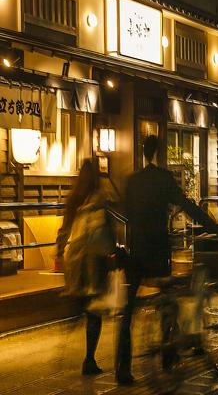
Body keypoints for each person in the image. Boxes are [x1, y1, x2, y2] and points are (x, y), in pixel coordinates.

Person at [116, 135, 218, 385]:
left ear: (142, 152)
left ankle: (123, 369)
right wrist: (214, 226)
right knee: (167, 297)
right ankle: (167, 353)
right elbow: (187, 205)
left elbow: (124, 214)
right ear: (159, 151)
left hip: (135, 250)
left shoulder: (132, 181)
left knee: (127, 312)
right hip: (158, 249)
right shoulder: (163, 178)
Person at [56, 159, 115, 376]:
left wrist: (60, 254)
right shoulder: (100, 199)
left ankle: (69, 334)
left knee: (83, 303)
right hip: (94, 261)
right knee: (94, 311)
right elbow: (107, 231)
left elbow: (63, 231)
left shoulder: (73, 200)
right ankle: (89, 358)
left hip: (75, 260)